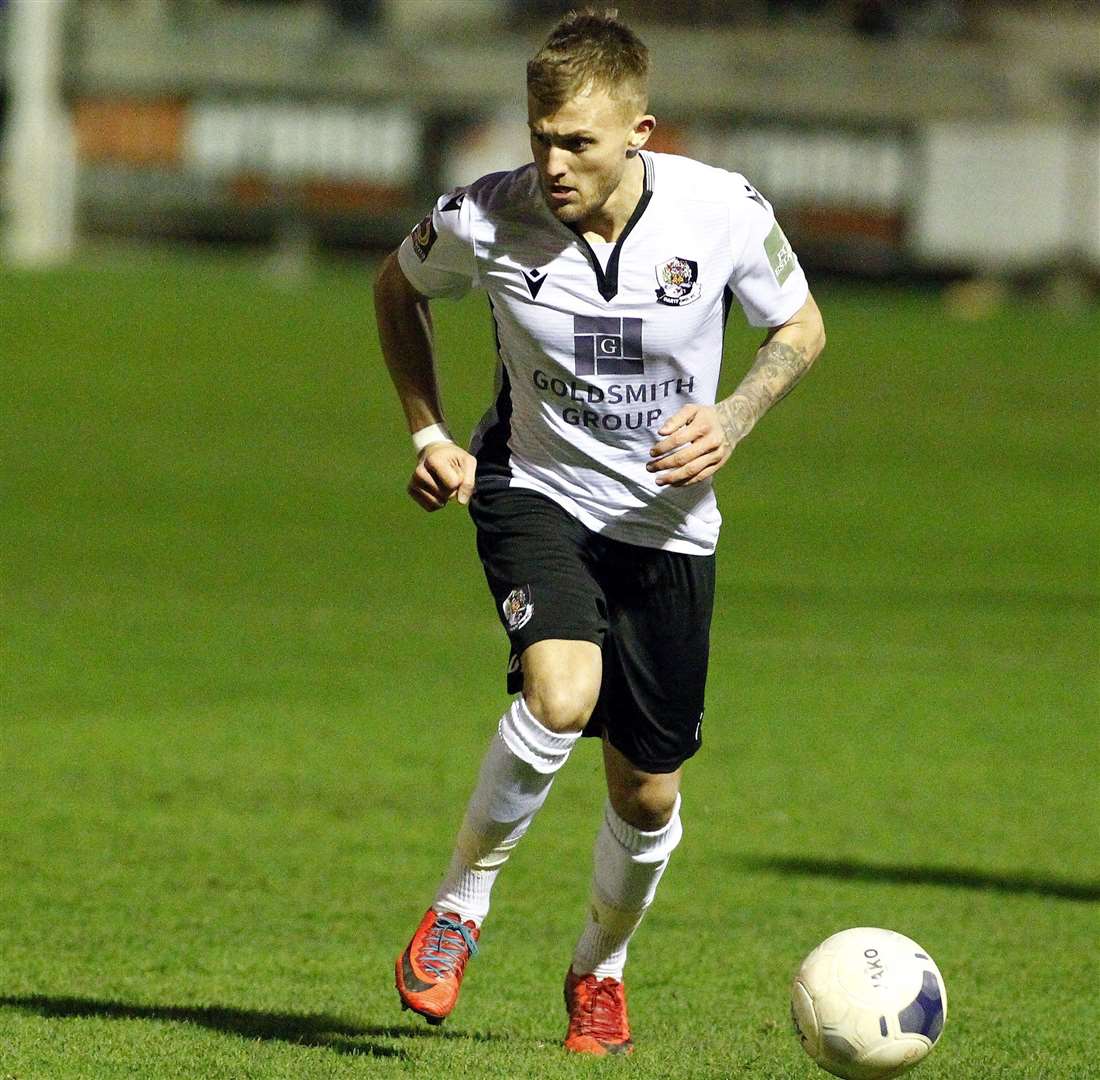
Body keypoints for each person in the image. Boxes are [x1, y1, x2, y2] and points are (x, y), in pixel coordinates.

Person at [373, 6, 825, 1057]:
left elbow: (798, 327)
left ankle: (597, 971)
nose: (552, 160)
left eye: (576, 140)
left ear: (639, 132)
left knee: (646, 789)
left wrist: (730, 417)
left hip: (666, 526)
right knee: (560, 689)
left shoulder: (719, 212)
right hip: (534, 491)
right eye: (538, 135)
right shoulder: (485, 217)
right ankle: (457, 911)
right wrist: (429, 429)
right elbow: (397, 289)